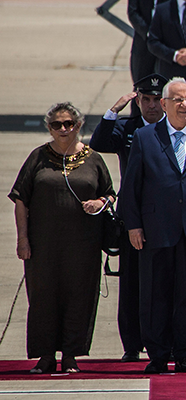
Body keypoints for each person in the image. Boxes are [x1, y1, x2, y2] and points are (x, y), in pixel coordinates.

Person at [120, 77, 186, 374]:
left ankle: (184, 353)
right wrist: (134, 226)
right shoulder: (146, 137)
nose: (185, 104)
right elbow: (132, 187)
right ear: (164, 104)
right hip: (156, 229)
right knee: (155, 294)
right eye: (178, 100)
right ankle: (157, 354)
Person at [9, 102, 116, 374]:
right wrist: (23, 240)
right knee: (43, 299)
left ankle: (71, 355)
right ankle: (45, 356)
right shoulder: (38, 158)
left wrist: (99, 202)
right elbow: (20, 200)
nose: (63, 129)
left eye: (69, 124)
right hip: (43, 247)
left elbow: (110, 193)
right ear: (49, 128)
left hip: (83, 247)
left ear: (78, 126)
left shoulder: (93, 159)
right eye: (57, 124)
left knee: (79, 298)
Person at [90, 72, 167, 363]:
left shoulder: (176, 127)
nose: (152, 105)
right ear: (138, 100)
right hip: (133, 217)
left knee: (165, 283)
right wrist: (114, 110)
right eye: (146, 99)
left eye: (157, 99)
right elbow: (98, 142)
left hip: (167, 217)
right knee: (132, 284)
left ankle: (165, 340)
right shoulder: (128, 127)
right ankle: (132, 344)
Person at [127, 0, 168, 84]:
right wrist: (148, 33)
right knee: (141, 84)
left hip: (167, 46)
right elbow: (133, 12)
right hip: (143, 44)